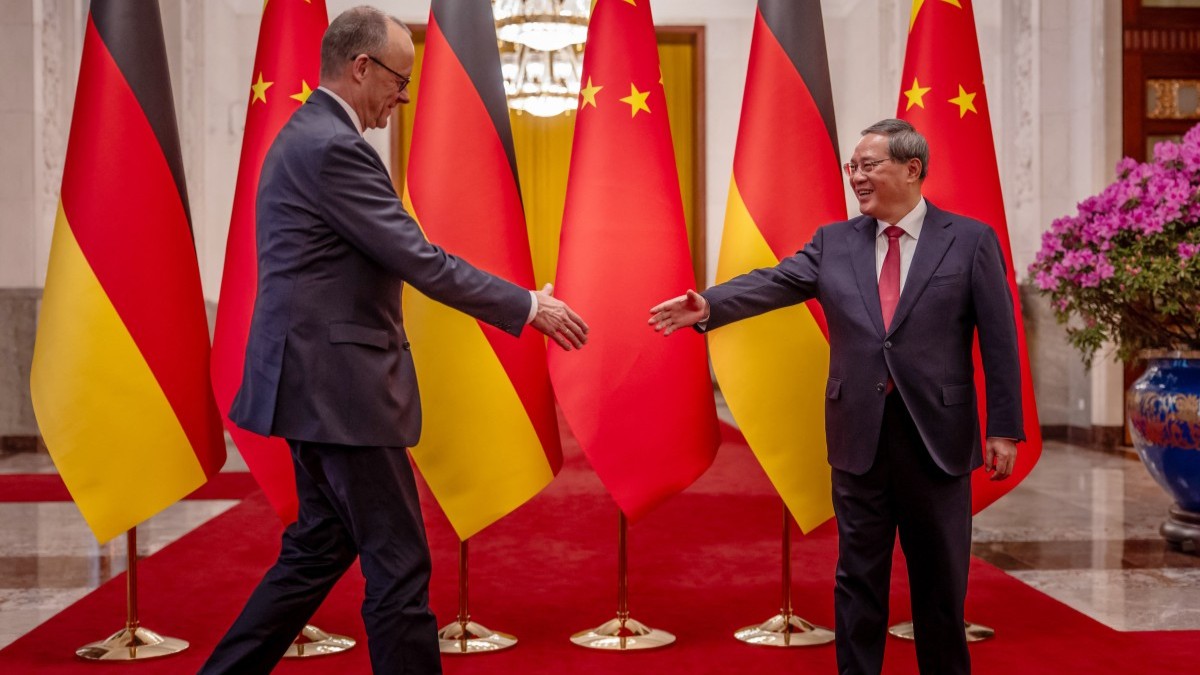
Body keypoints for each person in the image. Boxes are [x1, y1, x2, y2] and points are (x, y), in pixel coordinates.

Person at [200, 7, 588, 674]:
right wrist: (527, 305)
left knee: (317, 550)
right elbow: (420, 258)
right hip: (341, 392)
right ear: (360, 67)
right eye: (398, 81)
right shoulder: (333, 147)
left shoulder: (305, 136)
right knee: (400, 566)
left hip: (313, 385)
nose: (400, 97)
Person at [649, 118, 1023, 675]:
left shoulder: (969, 240)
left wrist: (1004, 427)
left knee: (941, 588)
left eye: (869, 165)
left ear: (912, 168)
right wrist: (709, 305)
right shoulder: (835, 242)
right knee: (857, 581)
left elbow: (999, 338)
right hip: (859, 434)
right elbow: (774, 281)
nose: (856, 177)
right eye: (853, 167)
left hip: (937, 439)